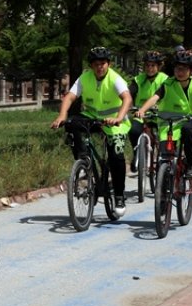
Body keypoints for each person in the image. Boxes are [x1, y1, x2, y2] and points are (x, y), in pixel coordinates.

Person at [51, 46, 133, 216]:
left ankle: (118, 196)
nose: (100, 67)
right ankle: (84, 161)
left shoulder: (115, 79)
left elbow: (127, 98)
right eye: (96, 64)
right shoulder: (85, 78)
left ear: (108, 64)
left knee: (116, 156)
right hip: (92, 117)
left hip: (114, 122)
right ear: (91, 65)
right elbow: (70, 97)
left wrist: (118, 117)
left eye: (103, 63)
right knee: (71, 123)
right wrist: (62, 115)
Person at [134, 49, 192, 178]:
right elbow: (155, 97)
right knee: (165, 155)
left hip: (191, 120)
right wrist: (142, 110)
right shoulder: (168, 83)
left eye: (183, 69)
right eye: (177, 69)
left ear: (190, 70)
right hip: (169, 122)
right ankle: (163, 187)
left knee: (187, 132)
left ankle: (191, 163)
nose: (179, 72)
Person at [127, 51, 168, 172]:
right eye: (147, 65)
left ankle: (163, 160)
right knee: (133, 130)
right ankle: (137, 154)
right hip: (141, 113)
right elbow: (129, 94)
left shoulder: (165, 80)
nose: (150, 68)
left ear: (159, 66)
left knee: (164, 137)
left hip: (160, 115)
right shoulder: (138, 79)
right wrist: (127, 106)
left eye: (153, 66)